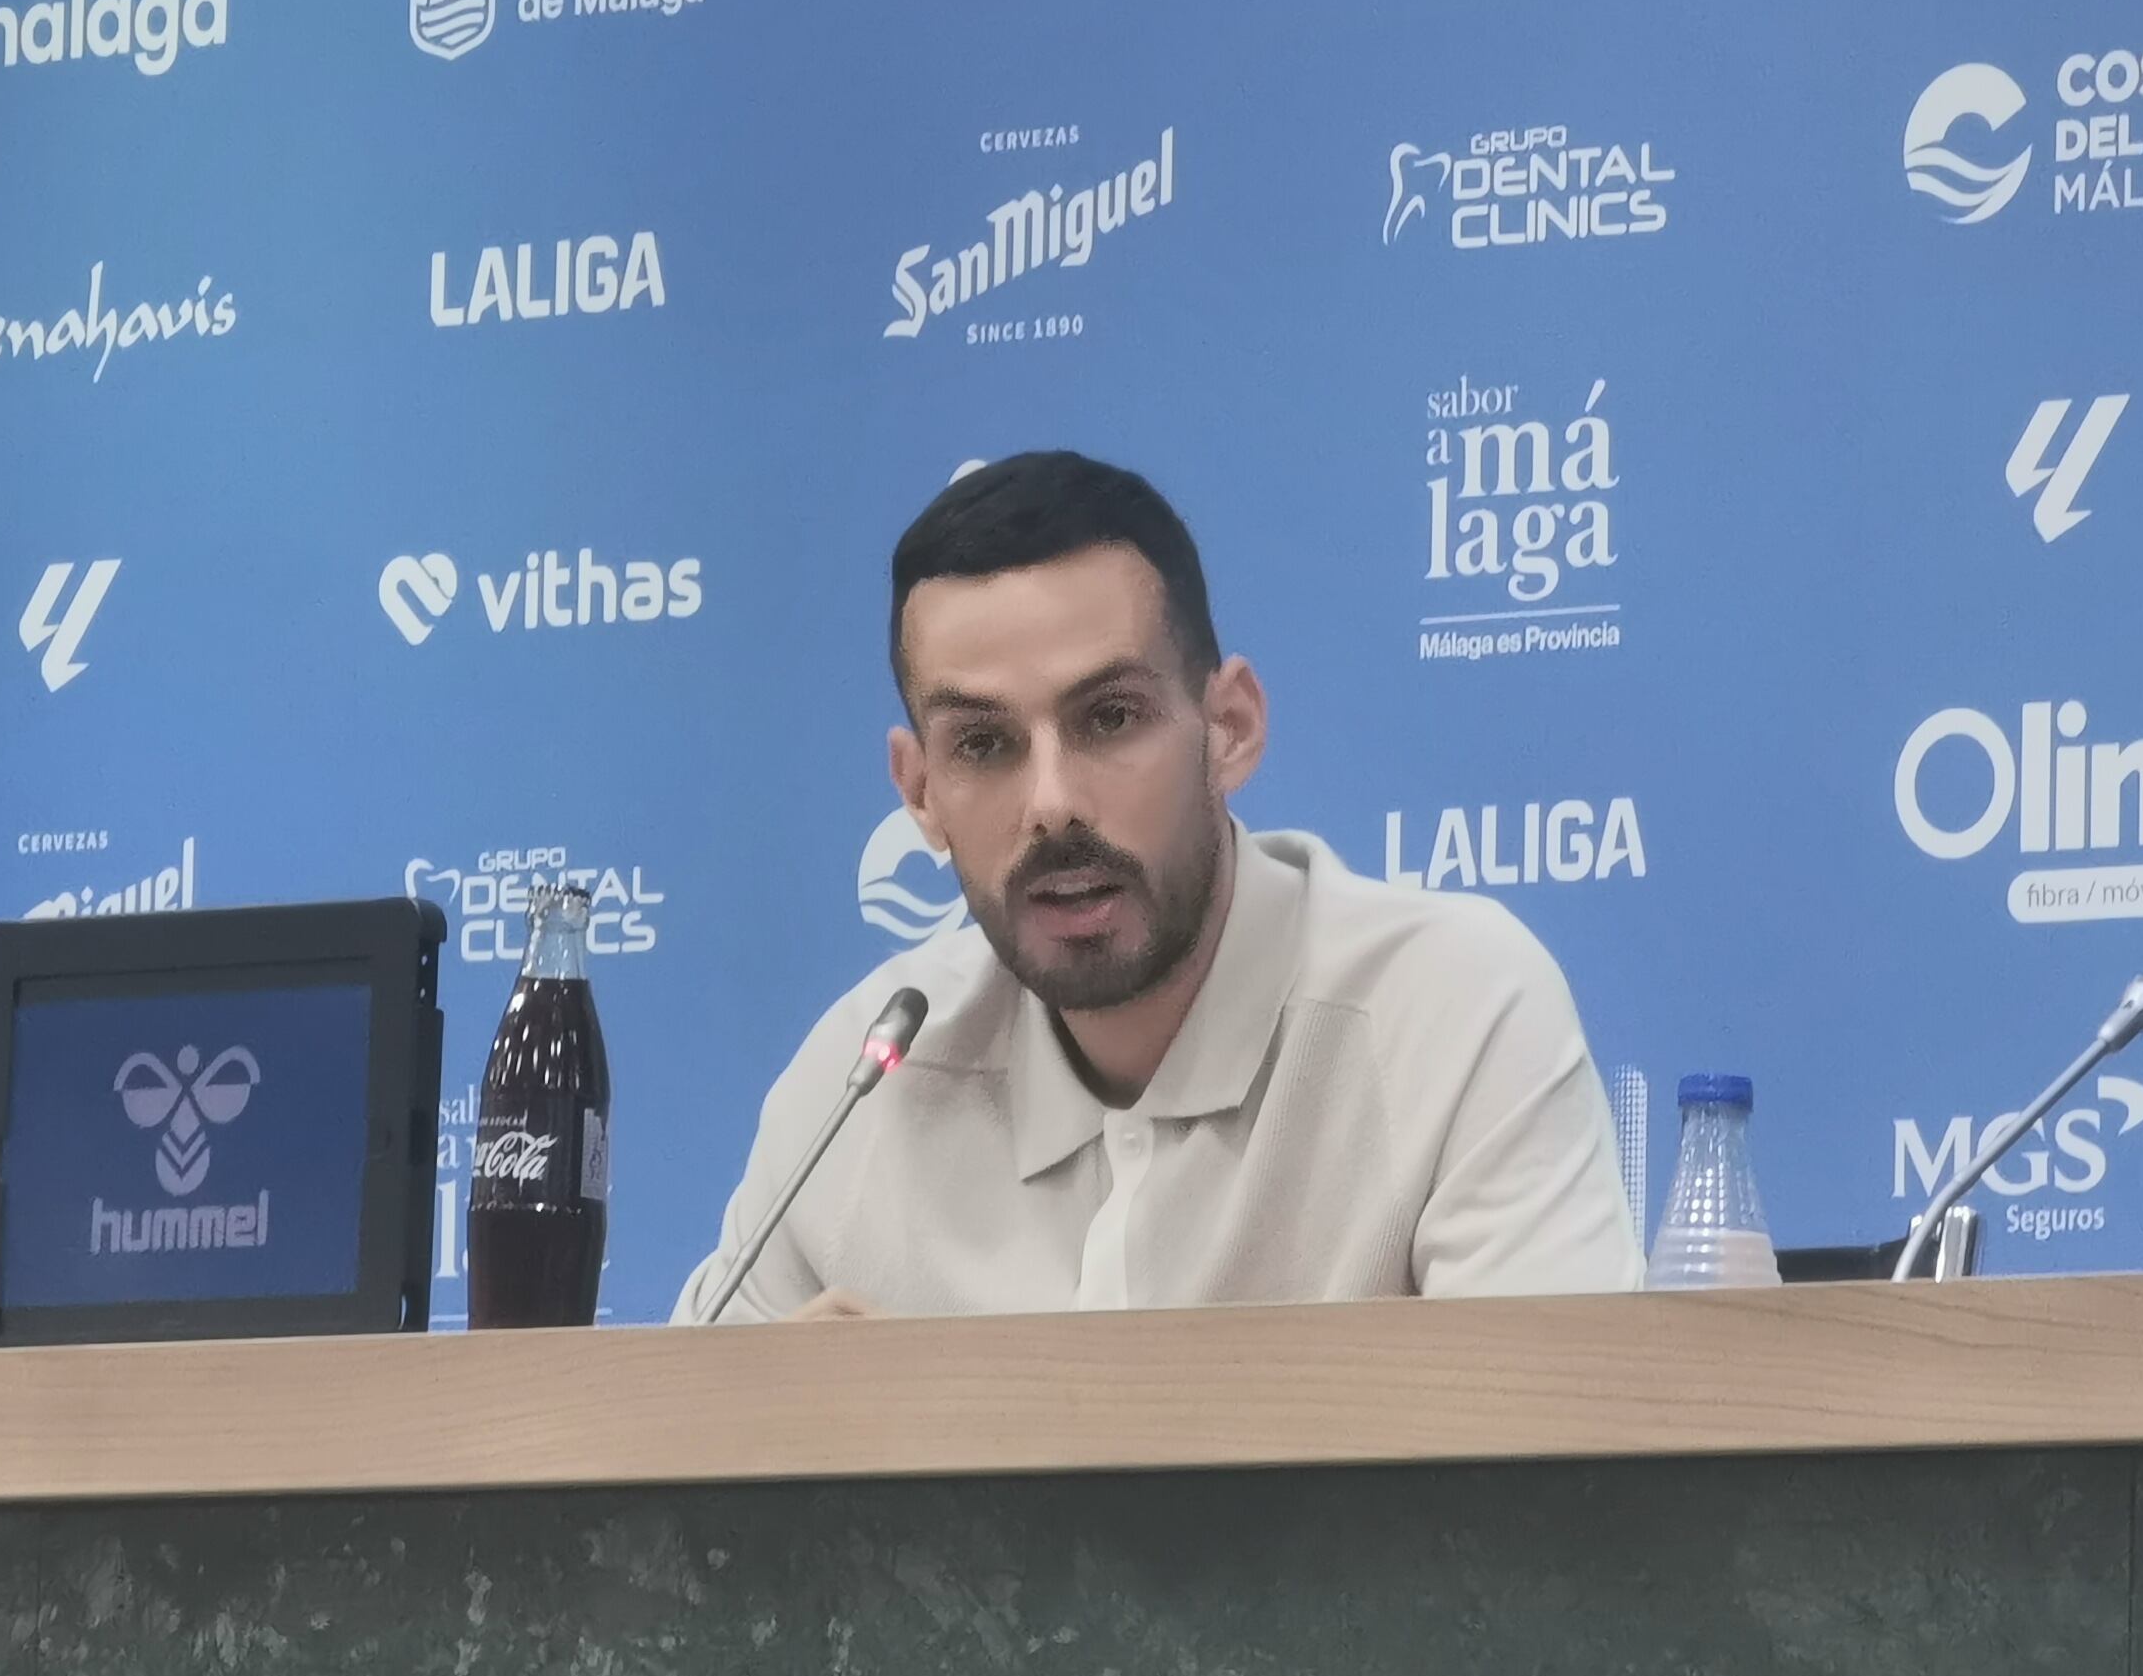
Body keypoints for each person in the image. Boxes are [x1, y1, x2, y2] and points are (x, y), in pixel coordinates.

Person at [675, 451, 1643, 1320]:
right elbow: (669, 1482)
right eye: (983, 744)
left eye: (1109, 719)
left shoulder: (1451, 1010)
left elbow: (1555, 1487)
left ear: (1229, 727)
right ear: (921, 793)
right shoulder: (863, 1077)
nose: (1050, 805)